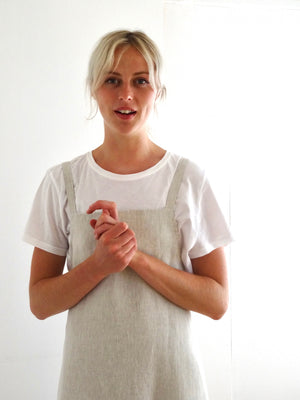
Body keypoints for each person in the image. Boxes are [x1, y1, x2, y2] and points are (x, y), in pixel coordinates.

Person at [24, 30, 233, 400]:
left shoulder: (187, 180)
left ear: (159, 91)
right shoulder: (63, 182)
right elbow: (40, 304)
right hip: (88, 384)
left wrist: (132, 257)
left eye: (140, 81)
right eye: (112, 80)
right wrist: (99, 264)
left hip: (172, 383)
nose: (126, 95)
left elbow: (216, 301)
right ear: (93, 88)